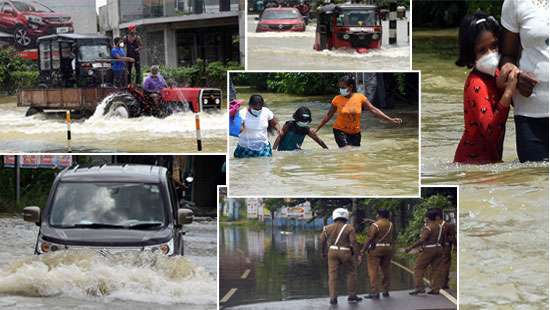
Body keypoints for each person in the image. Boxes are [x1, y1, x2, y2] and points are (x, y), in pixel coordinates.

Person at [454, 13, 518, 164]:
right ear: (471, 54)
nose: (491, 54)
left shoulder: (497, 75)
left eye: (494, 46)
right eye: (482, 50)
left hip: (490, 161)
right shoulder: (476, 84)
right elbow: (490, 131)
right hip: (472, 165)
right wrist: (508, 93)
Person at [499, 0, 548, 162]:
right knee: (532, 182)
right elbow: (507, 56)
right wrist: (516, 76)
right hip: (531, 114)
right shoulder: (515, 2)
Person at [315, 76, 402, 148]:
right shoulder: (337, 99)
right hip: (340, 131)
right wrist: (317, 128)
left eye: (343, 87)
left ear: (351, 87)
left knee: (355, 154)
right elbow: (329, 115)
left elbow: (373, 110)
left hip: (355, 133)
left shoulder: (360, 97)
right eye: (340, 88)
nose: (341, 90)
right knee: (347, 150)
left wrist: (390, 119)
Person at [320, 208, 363, 305]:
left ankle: (333, 298)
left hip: (332, 251)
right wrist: (357, 255)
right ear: (346, 216)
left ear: (334, 216)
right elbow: (353, 242)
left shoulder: (327, 228)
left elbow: (322, 240)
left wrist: (323, 252)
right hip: (346, 252)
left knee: (332, 275)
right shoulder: (350, 228)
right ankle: (352, 296)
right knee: (351, 272)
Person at [405, 209, 445, 295]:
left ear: (428, 218)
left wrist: (410, 247)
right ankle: (435, 289)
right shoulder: (440, 227)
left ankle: (419, 287)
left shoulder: (428, 227)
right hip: (439, 248)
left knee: (418, 268)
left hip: (429, 249)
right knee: (436, 269)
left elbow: (422, 240)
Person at [358, 209, 394, 299]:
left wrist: (362, 250)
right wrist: (371, 221)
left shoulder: (375, 225)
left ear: (378, 215)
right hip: (388, 248)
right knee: (386, 270)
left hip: (376, 249)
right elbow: (382, 226)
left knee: (373, 270)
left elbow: (370, 238)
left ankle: (375, 292)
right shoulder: (390, 224)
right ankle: (386, 291)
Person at [433, 208, 456, 290]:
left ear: (437, 217)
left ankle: (440, 282)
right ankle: (443, 283)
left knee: (441, 264)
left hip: (441, 247)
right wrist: (455, 246)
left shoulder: (436, 225)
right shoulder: (448, 225)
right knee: (445, 265)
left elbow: (452, 238)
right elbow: (453, 237)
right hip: (443, 247)